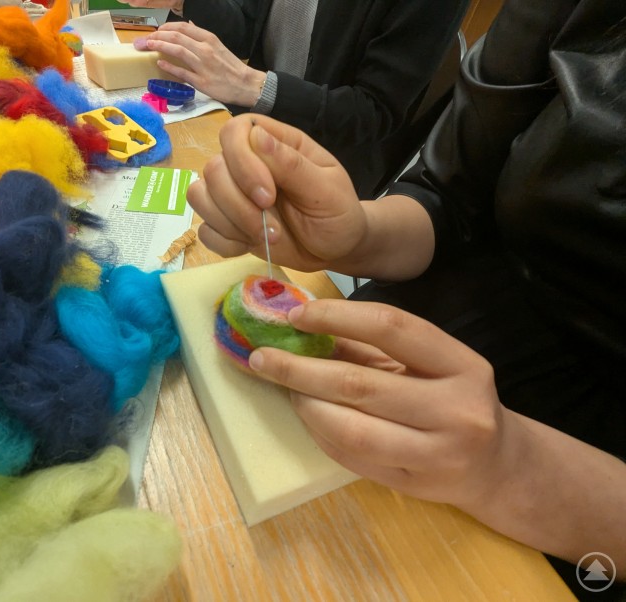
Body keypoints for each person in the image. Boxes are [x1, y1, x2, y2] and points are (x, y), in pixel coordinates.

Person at [186, 0, 625, 597]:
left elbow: (372, 111)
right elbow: (451, 194)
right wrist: (353, 237)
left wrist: (516, 467)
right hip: (404, 354)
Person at [117, 0, 469, 198]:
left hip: (326, 161)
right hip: (252, 124)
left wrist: (251, 84)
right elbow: (249, 34)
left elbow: (372, 113)